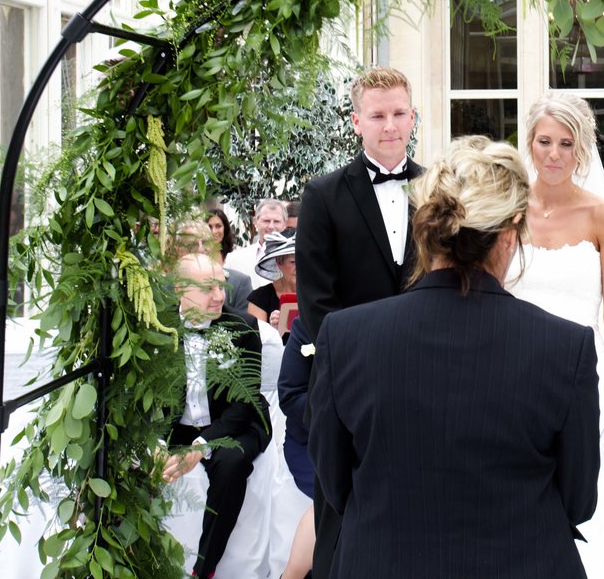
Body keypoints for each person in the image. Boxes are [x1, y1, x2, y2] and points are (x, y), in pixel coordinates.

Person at [309, 137, 600, 579]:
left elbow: (334, 483)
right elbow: (578, 500)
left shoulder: (345, 336)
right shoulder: (566, 347)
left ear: (425, 228)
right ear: (509, 235)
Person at [295, 66, 424, 579]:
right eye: (377, 115)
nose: (389, 125)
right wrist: (364, 363)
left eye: (398, 113)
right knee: (339, 509)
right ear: (356, 122)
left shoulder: (439, 187)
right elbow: (316, 301)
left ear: (412, 117)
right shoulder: (323, 194)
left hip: (424, 375)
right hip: (349, 381)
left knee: (417, 505)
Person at [507, 92, 604, 458]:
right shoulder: (507, 209)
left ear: (581, 150)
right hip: (511, 370)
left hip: (580, 372)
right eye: (545, 141)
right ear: (530, 143)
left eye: (566, 144)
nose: (554, 154)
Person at [161, 253, 271, 579]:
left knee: (231, 464)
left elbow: (243, 402)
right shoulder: (156, 327)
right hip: (178, 425)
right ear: (181, 288)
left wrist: (199, 447)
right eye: (208, 288)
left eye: (220, 286)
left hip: (237, 421)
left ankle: (203, 569)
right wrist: (153, 441)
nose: (219, 296)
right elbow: (146, 399)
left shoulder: (243, 327)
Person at [277, 316, 316, 579]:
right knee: (335, 494)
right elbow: (289, 395)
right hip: (309, 442)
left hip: (364, 443)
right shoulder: (306, 327)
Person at [226, 199, 289, 289]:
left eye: (276, 221)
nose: (271, 226)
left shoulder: (296, 258)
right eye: (266, 221)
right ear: (255, 222)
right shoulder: (234, 259)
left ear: (285, 224)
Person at [248, 229, 297, 331]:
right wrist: (271, 329)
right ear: (279, 262)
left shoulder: (319, 293)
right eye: (293, 262)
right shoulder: (260, 298)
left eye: (303, 260)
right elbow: (255, 339)